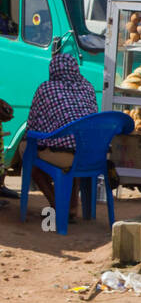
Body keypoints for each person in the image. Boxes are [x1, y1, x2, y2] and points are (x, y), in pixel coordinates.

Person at [19, 53, 99, 213]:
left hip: (65, 156)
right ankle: (72, 206)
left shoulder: (46, 89)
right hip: (93, 156)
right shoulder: (88, 87)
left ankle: (57, 205)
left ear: (53, 70)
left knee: (28, 153)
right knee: (74, 148)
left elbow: (33, 126)